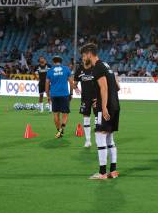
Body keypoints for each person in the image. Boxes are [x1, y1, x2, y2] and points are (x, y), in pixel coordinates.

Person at [81, 44, 120, 180]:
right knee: (109, 138)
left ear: (89, 54)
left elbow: (103, 88)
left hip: (106, 107)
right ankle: (113, 171)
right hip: (115, 105)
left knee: (99, 136)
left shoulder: (97, 67)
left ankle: (102, 173)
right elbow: (117, 86)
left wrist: (103, 106)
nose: (83, 58)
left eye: (83, 55)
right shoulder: (106, 65)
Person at [45, 56, 75, 138]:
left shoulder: (50, 71)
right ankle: (62, 129)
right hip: (64, 94)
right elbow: (71, 82)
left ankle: (59, 131)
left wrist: (48, 96)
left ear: (53, 62)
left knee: (56, 114)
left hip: (54, 95)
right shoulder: (66, 69)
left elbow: (47, 85)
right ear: (61, 61)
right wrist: (71, 93)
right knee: (65, 113)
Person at [74, 59, 96, 148]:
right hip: (85, 98)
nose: (84, 59)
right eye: (83, 57)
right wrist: (76, 88)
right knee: (86, 118)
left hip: (96, 98)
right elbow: (75, 83)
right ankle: (88, 141)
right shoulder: (79, 70)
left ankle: (99, 140)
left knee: (98, 118)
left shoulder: (95, 68)